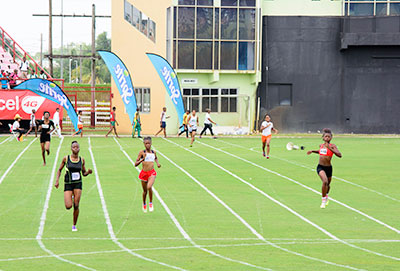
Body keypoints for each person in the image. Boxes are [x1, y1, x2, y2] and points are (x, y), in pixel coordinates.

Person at [54, 141, 93, 231]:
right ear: (71, 148)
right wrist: (57, 181)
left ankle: (74, 225)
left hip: (78, 183)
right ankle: (71, 196)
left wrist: (88, 172)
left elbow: (83, 173)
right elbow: (59, 170)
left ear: (79, 149)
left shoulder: (82, 160)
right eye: (74, 147)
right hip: (68, 183)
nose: (76, 148)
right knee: (68, 206)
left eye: (77, 147)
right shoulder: (66, 158)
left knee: (76, 205)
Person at [307, 128, 342, 209]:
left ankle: (326, 196)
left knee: (328, 185)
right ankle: (323, 201)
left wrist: (330, 148)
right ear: (323, 138)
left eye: (328, 137)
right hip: (320, 167)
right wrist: (312, 151)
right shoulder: (321, 145)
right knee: (325, 181)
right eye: (325, 136)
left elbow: (339, 155)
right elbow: (320, 152)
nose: (327, 138)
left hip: (329, 168)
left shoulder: (333, 146)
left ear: (331, 138)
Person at [134, 137, 161, 213]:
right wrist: (142, 159)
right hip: (144, 173)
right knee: (145, 191)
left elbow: (156, 158)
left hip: (151, 172)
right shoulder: (142, 152)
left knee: (149, 186)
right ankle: (144, 203)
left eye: (149, 143)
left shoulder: (153, 152)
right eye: (146, 143)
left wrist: (158, 163)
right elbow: (135, 164)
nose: (148, 145)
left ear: (151, 143)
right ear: (144, 144)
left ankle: (151, 203)